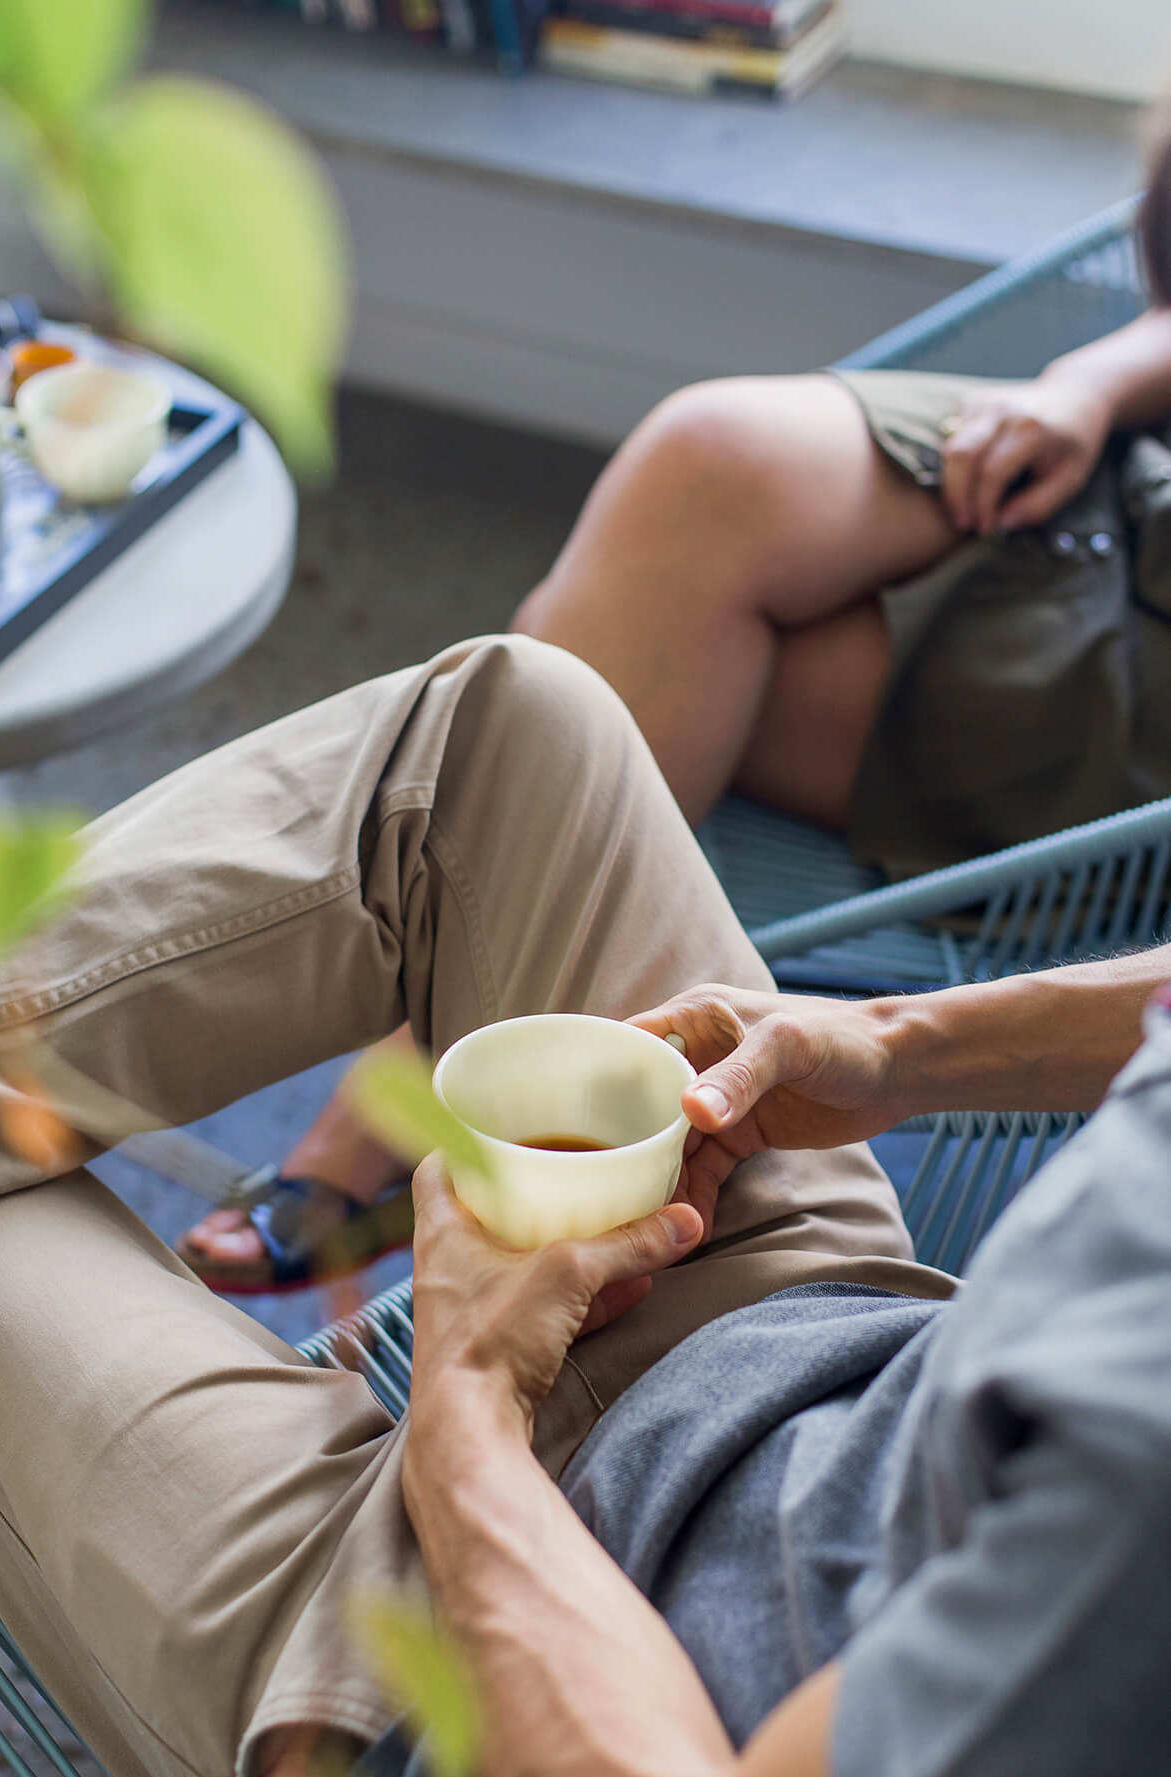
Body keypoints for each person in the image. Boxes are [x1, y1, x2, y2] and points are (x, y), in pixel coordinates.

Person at [0, 635, 1168, 1777]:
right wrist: (898, 1046)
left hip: (481, 1725)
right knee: (501, 733)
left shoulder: (1129, 1547)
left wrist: (474, 1402)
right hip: (824, 1376)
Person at [179, 137, 1171, 1290]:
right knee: (703, 472)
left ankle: (394, 1094)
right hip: (1129, 470)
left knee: (589, 662)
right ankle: (444, 1075)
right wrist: (1086, 386)